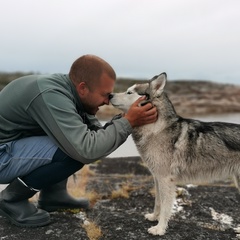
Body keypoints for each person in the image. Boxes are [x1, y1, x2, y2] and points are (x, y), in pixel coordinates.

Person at [0, 54, 157, 227]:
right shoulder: (52, 95)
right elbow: (86, 149)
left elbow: (93, 130)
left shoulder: (68, 90)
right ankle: (12, 199)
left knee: (72, 138)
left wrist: (119, 122)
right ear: (83, 88)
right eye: (105, 95)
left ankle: (54, 196)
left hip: (12, 146)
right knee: (73, 152)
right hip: (2, 155)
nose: (107, 101)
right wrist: (128, 123)